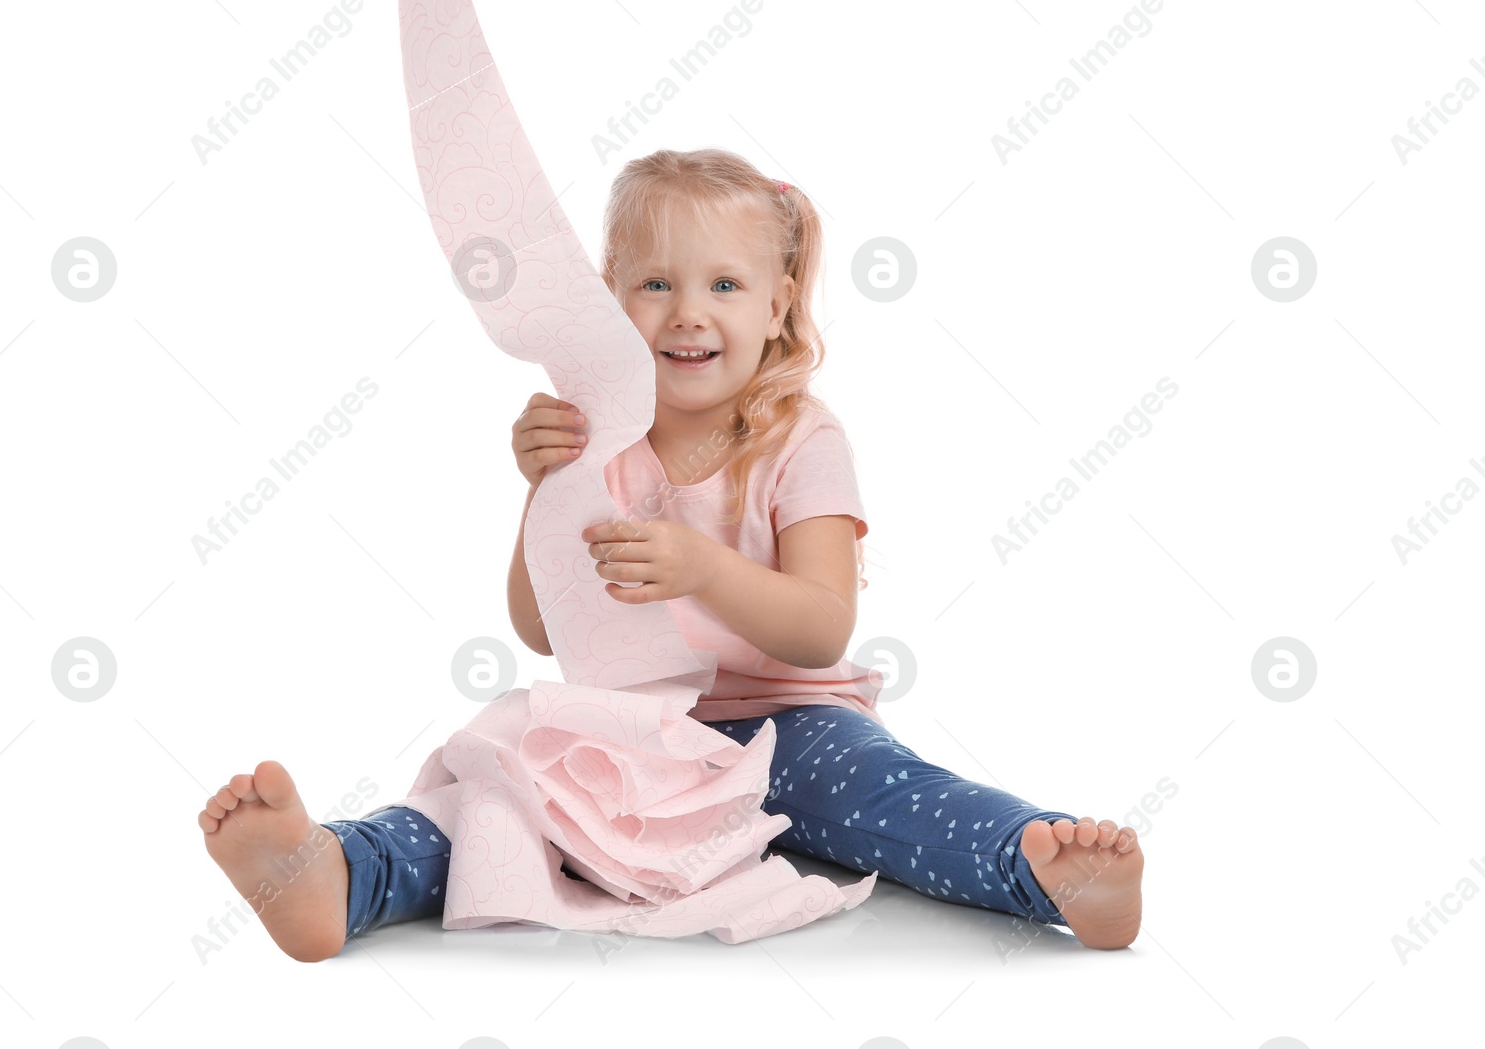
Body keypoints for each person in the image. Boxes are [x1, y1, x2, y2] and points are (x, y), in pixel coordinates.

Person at [197, 148, 1144, 962]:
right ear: (610, 302)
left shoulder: (800, 439)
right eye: (655, 284)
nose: (688, 313)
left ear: (778, 305)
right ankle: (338, 872)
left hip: (788, 723)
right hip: (634, 730)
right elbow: (538, 629)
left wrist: (702, 570)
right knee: (503, 800)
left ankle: (1042, 870)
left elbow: (821, 630)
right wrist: (544, 487)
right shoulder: (599, 435)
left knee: (887, 799)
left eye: (724, 285)